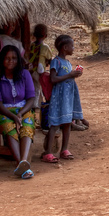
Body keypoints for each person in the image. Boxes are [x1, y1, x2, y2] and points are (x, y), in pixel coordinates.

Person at [0, 45, 37, 179]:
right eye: (7, 58)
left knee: (27, 124)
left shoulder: (25, 74)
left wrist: (20, 114)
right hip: (4, 111)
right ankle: (20, 164)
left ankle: (23, 163)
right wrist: (13, 116)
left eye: (14, 58)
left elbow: (31, 98)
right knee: (9, 126)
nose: (11, 61)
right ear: (2, 60)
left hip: (23, 109)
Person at [42, 34, 84, 162]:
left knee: (67, 123)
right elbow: (53, 79)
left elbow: (66, 76)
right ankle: (47, 153)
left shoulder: (67, 62)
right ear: (65, 47)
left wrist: (73, 75)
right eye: (72, 46)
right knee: (55, 124)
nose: (74, 48)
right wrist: (70, 75)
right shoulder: (56, 61)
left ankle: (64, 150)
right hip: (59, 97)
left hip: (68, 97)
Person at [27, 23, 53, 129]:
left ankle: (33, 118)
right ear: (45, 36)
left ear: (34, 34)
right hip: (39, 73)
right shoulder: (45, 47)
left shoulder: (31, 45)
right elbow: (50, 60)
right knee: (40, 94)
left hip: (30, 72)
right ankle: (40, 119)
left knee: (33, 92)